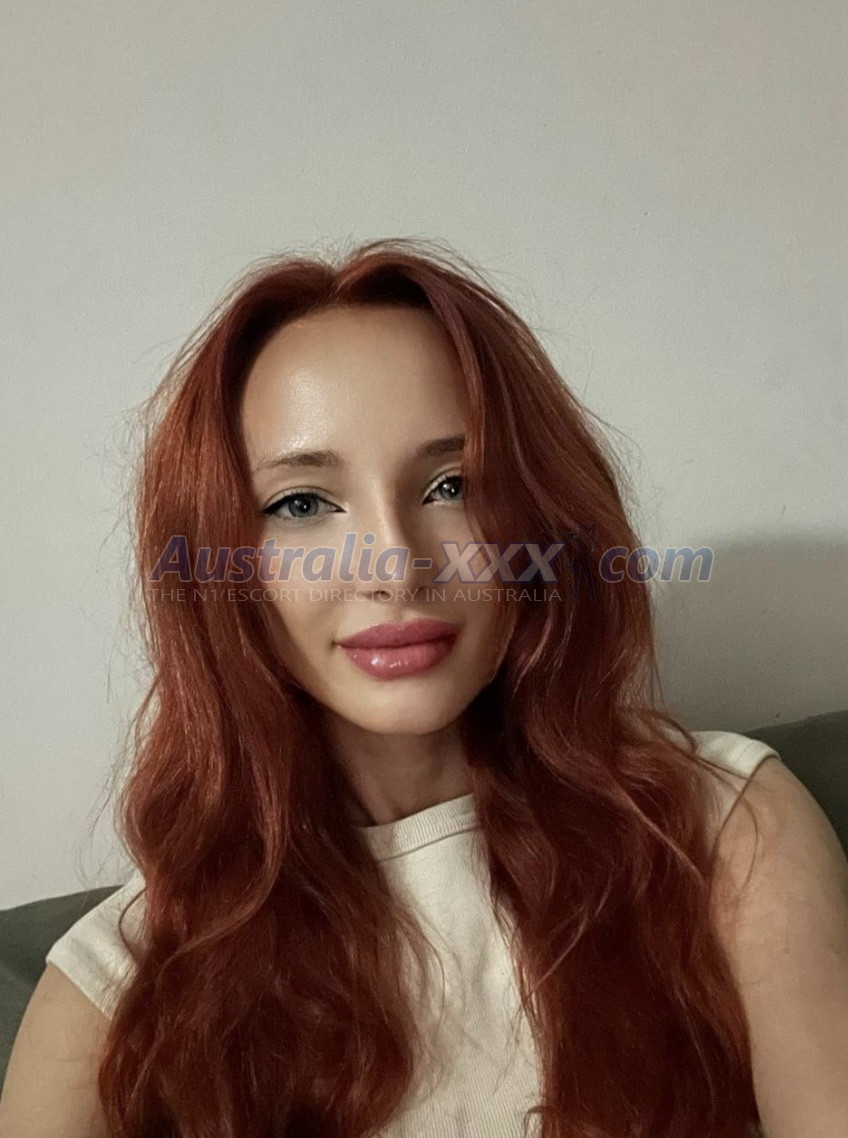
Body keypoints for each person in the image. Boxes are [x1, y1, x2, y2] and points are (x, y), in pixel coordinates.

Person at [2, 238, 847, 1138]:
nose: (396, 568)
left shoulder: (721, 826)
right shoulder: (111, 992)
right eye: (301, 504)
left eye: (453, 484)